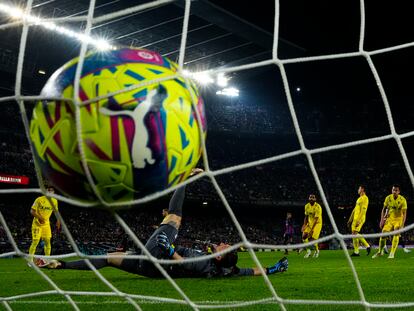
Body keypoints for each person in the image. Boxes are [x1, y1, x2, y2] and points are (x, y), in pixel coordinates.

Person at [38, 169, 288, 277]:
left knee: (175, 218)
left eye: (225, 246)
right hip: (152, 267)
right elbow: (250, 272)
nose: (223, 242)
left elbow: (185, 265)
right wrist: (271, 270)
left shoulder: (204, 263)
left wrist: (168, 248)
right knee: (107, 258)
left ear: (221, 257)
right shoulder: (227, 270)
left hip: (161, 256)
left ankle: (185, 180)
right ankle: (60, 265)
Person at [372, 184, 408, 259]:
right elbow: (384, 209)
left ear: (399, 191)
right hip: (390, 219)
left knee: (396, 232)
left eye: (396, 190)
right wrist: (382, 220)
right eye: (393, 190)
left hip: (398, 219)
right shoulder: (388, 198)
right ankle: (380, 252)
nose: (394, 191)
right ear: (391, 190)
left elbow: (404, 213)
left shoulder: (402, 200)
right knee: (383, 234)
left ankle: (392, 253)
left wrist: (402, 224)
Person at [28, 186, 60, 262]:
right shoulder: (39, 199)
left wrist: (58, 220)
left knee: (47, 241)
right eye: (48, 190)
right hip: (37, 223)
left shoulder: (54, 201)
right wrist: (39, 217)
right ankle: (30, 261)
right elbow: (32, 211)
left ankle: (47, 260)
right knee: (35, 241)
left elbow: (56, 212)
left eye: (52, 191)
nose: (50, 192)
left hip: (46, 224)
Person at [346, 185, 371, 256]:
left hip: (360, 219)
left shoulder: (365, 198)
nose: (358, 190)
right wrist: (350, 220)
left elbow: (363, 210)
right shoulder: (359, 199)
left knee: (355, 233)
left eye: (359, 188)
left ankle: (367, 246)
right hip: (355, 219)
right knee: (354, 234)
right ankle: (356, 252)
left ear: (362, 189)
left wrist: (359, 221)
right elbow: (354, 210)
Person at [302, 194, 322, 258]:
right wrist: (304, 225)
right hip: (310, 223)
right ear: (308, 198)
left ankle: (317, 251)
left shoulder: (318, 207)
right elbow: (306, 216)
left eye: (313, 197)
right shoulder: (306, 206)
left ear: (315, 199)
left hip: (317, 224)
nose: (311, 198)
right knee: (304, 236)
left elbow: (316, 219)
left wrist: (311, 230)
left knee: (312, 239)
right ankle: (308, 251)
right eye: (310, 197)